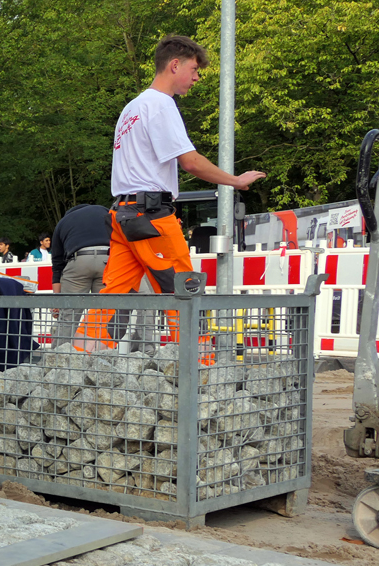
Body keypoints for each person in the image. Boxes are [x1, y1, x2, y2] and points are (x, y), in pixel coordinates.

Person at [102, 35, 264, 303]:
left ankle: (85, 345)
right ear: (175, 65)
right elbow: (190, 162)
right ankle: (195, 346)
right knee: (184, 291)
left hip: (123, 214)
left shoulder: (132, 108)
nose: (197, 77)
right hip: (150, 216)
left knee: (115, 295)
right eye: (194, 69)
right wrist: (235, 181)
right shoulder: (162, 104)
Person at [49, 203, 113, 343]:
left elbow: (57, 264)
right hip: (108, 260)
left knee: (68, 316)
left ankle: (59, 357)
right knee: (102, 314)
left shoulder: (63, 222)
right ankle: (102, 358)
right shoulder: (105, 211)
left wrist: (57, 301)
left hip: (79, 261)